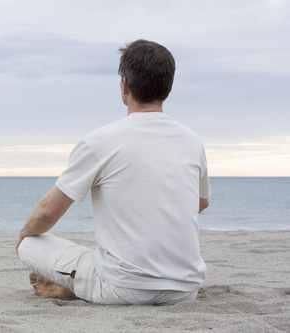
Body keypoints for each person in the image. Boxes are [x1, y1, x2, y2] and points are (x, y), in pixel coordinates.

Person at [15, 39, 211, 305]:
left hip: (123, 288)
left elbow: (49, 211)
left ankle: (73, 286)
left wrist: (24, 235)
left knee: (30, 244)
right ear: (168, 87)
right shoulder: (192, 140)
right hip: (186, 290)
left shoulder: (101, 141)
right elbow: (200, 203)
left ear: (125, 85)